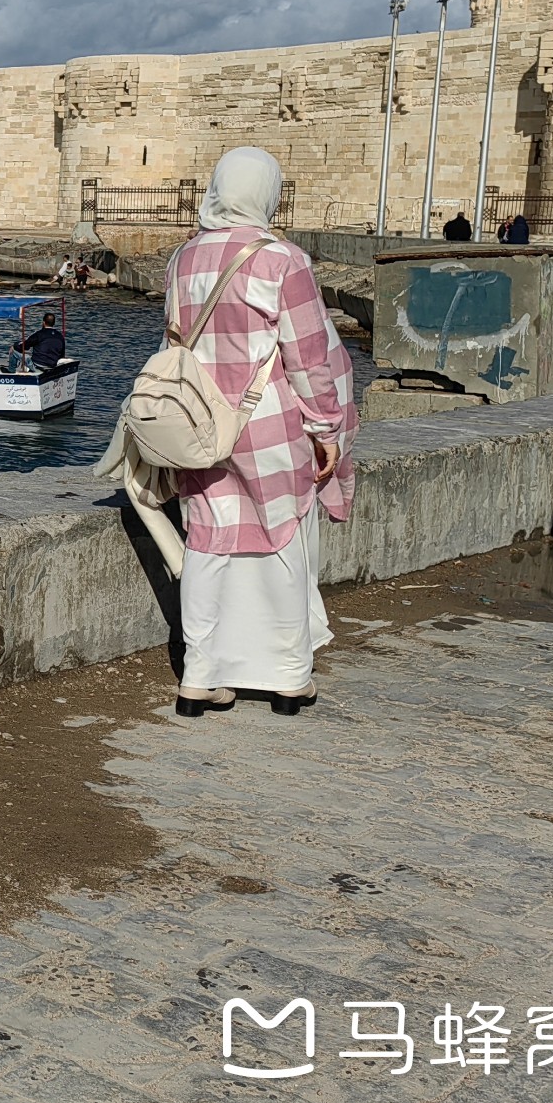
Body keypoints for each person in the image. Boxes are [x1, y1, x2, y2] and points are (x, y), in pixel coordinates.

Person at [162, 147, 356, 719]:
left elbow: (174, 341)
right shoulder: (282, 259)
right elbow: (309, 356)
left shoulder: (183, 258)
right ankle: (289, 678)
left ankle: (200, 675)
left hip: (199, 420)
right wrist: (326, 427)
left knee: (209, 538)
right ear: (267, 192)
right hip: (269, 419)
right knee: (282, 537)